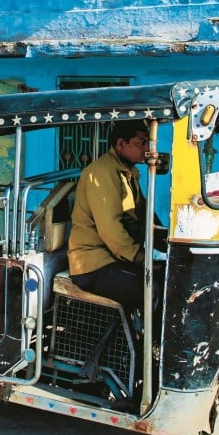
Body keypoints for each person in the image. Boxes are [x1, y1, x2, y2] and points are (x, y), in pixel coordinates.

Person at [67, 119, 161, 312]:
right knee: (150, 289)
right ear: (120, 144)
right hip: (93, 263)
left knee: (168, 277)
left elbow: (142, 212)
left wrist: (164, 239)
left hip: (114, 256)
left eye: (147, 143)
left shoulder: (128, 172)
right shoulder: (101, 173)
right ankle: (148, 341)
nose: (145, 148)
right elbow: (110, 227)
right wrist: (140, 258)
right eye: (139, 143)